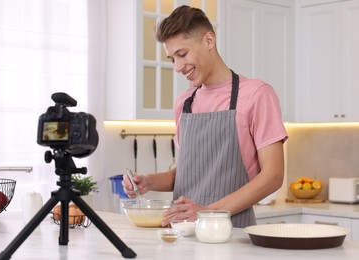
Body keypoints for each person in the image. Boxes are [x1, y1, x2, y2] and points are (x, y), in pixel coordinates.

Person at [122, 5, 288, 228]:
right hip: (182, 231)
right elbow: (190, 173)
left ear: (209, 41)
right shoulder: (185, 102)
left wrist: (208, 213)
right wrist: (150, 182)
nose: (178, 67)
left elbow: (273, 176)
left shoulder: (257, 95)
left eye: (182, 54)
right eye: (172, 59)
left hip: (231, 232)